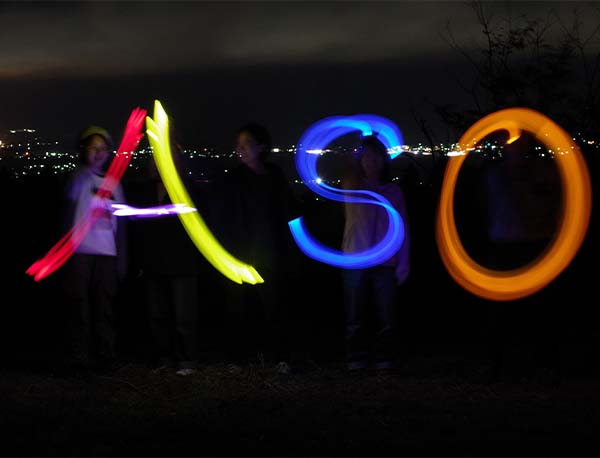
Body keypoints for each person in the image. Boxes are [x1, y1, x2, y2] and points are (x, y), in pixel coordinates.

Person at [213, 122, 300, 374]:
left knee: (274, 307)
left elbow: (289, 211)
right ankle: (237, 359)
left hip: (270, 254)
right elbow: (221, 216)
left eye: (246, 144)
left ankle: (280, 358)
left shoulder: (275, 176)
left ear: (261, 147)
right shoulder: (232, 179)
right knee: (237, 309)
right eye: (238, 145)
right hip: (239, 256)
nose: (240, 149)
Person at [128, 142, 202, 376]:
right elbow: (139, 229)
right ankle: (163, 359)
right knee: (157, 315)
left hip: (182, 263)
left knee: (183, 317)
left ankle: (186, 360)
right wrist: (139, 261)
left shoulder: (187, 190)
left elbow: (200, 229)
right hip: (153, 263)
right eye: (156, 159)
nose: (160, 163)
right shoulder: (145, 191)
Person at [341, 134, 410, 372]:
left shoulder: (393, 191)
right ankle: (355, 359)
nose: (371, 161)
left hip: (386, 261)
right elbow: (350, 171)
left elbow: (403, 229)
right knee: (354, 315)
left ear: (383, 160)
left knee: (387, 316)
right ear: (360, 159)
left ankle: (385, 359)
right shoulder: (352, 185)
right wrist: (363, 139)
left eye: (376, 155)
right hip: (355, 258)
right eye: (366, 156)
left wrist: (403, 262)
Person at [62, 125, 127, 375]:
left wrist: (122, 259)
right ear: (84, 150)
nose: (99, 153)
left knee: (104, 307)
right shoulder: (78, 178)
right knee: (79, 305)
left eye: (103, 148)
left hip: (107, 255)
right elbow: (66, 212)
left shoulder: (114, 184)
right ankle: (79, 356)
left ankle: (105, 355)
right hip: (80, 253)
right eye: (93, 147)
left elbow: (120, 226)